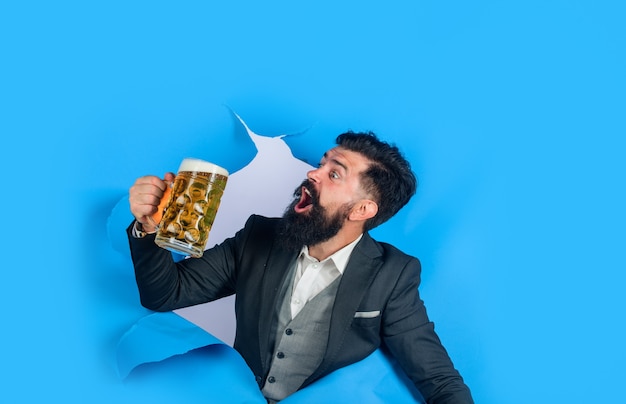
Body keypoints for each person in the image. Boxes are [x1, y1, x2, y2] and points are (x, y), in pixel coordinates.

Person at [127, 131, 474, 403]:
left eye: (334, 174)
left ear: (362, 210)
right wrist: (148, 227)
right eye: (322, 163)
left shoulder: (393, 274)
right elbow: (165, 294)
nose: (312, 173)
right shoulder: (259, 236)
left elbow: (438, 379)